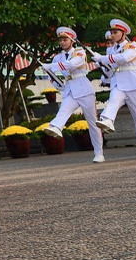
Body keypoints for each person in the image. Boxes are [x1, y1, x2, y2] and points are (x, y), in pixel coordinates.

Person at [93, 19, 136, 159]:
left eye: (115, 32)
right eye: (111, 32)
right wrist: (104, 70)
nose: (112, 35)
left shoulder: (133, 46)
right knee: (113, 100)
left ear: (123, 33)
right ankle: (108, 119)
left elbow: (124, 58)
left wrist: (103, 58)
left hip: (133, 84)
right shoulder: (111, 49)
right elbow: (111, 65)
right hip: (118, 82)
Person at [40, 27, 104, 162]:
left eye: (65, 40)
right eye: (61, 40)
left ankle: (99, 153)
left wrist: (51, 66)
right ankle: (56, 127)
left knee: (92, 123)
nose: (62, 43)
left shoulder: (79, 53)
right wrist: (57, 84)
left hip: (83, 89)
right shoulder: (58, 57)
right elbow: (52, 75)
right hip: (69, 89)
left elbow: (71, 64)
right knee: (63, 110)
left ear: (72, 41)